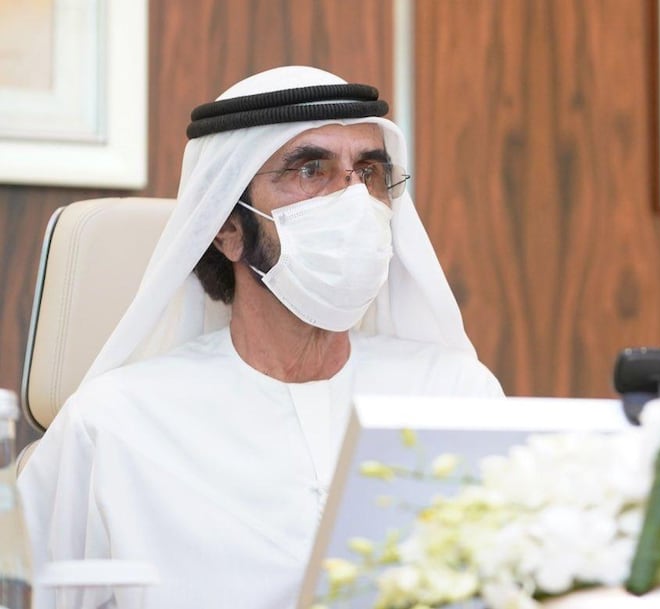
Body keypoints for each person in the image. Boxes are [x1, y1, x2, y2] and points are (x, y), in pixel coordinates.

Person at [18, 66, 503, 609]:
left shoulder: (457, 396)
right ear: (227, 229)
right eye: (311, 170)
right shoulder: (114, 425)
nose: (352, 200)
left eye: (368, 172)